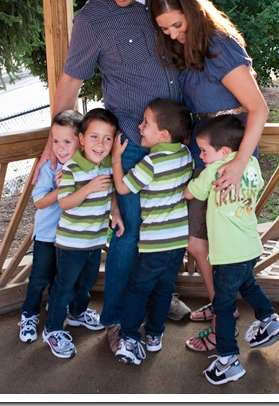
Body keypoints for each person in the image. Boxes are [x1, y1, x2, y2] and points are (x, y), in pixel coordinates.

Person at [33, 0, 181, 353]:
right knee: (127, 232)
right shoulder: (92, 18)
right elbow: (70, 81)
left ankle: (157, 297)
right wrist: (54, 140)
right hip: (130, 144)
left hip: (177, 143)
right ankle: (117, 320)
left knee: (167, 230)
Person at [150, 0, 269, 351]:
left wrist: (238, 164)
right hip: (204, 157)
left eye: (177, 24)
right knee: (200, 242)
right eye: (164, 28)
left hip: (227, 158)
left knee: (211, 243)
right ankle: (225, 309)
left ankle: (224, 322)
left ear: (193, 13)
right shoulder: (190, 48)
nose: (172, 33)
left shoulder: (219, 45)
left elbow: (259, 107)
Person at [184, 115, 279, 385]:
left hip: (228, 255)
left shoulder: (213, 171)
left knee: (223, 307)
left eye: (204, 150)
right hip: (250, 247)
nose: (202, 156)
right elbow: (259, 185)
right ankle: (269, 319)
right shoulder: (250, 164)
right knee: (248, 284)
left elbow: (191, 193)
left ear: (224, 152)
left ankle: (228, 359)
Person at [112, 98, 194, 365]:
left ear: (163, 135)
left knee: (139, 289)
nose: (139, 126)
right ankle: (155, 336)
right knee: (164, 288)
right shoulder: (185, 155)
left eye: (145, 123)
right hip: (177, 241)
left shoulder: (151, 163)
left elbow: (124, 188)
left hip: (155, 242)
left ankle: (129, 337)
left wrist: (116, 159)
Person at [42, 108, 124, 359]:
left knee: (87, 283)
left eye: (107, 138)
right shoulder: (73, 168)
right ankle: (52, 328)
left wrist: (116, 213)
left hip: (94, 240)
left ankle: (77, 314)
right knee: (64, 287)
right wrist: (88, 187)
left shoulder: (108, 164)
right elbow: (65, 203)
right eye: (94, 137)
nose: (100, 144)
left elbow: (111, 193)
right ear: (81, 139)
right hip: (70, 243)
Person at [18, 110, 82, 343]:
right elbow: (39, 202)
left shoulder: (83, 168)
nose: (60, 147)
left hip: (71, 237)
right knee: (39, 278)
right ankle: (29, 314)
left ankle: (56, 311)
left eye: (67, 141)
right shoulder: (50, 169)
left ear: (81, 140)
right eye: (55, 141)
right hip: (46, 236)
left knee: (62, 278)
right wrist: (59, 190)